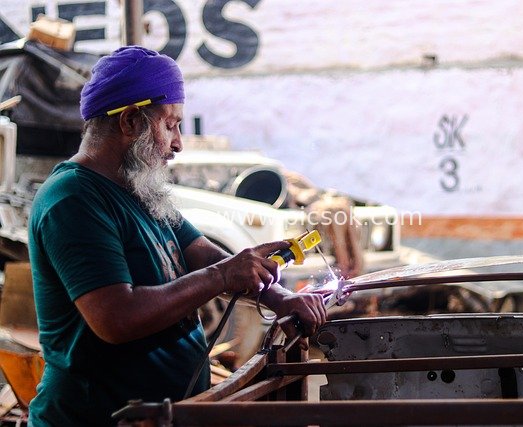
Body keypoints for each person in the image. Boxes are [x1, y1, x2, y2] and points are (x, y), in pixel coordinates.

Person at [27, 46, 327, 427]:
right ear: (131, 122)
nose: (178, 143)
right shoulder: (73, 199)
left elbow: (201, 253)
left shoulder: (138, 190)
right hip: (97, 418)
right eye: (170, 124)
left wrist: (279, 295)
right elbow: (116, 318)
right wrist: (223, 277)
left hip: (157, 414)